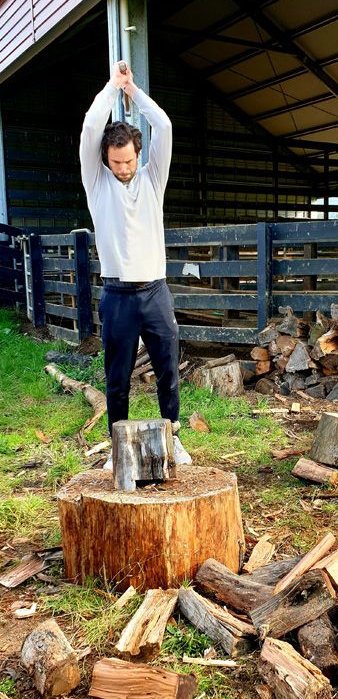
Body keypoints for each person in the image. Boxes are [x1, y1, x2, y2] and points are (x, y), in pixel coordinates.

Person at [79, 61, 191, 466]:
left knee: (168, 371)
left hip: (155, 292)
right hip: (117, 295)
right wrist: (112, 87)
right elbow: (90, 127)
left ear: (138, 155)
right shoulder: (97, 182)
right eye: (116, 162)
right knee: (117, 377)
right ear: (106, 159)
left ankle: (173, 437)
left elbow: (164, 125)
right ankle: (118, 448)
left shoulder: (152, 178)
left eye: (128, 161)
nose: (123, 169)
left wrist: (133, 91)